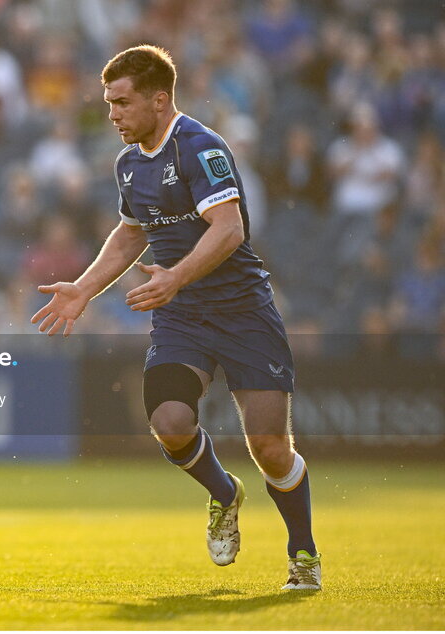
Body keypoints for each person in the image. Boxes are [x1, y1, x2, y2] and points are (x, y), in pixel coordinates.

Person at [32, 45, 320, 590]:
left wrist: (174, 276)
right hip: (182, 315)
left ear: (159, 100)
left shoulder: (201, 147)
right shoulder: (127, 163)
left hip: (244, 313)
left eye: (121, 102)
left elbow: (228, 228)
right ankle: (223, 492)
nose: (112, 114)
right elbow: (131, 233)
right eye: (107, 103)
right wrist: (84, 289)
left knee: (270, 448)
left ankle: (303, 552)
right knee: (169, 424)